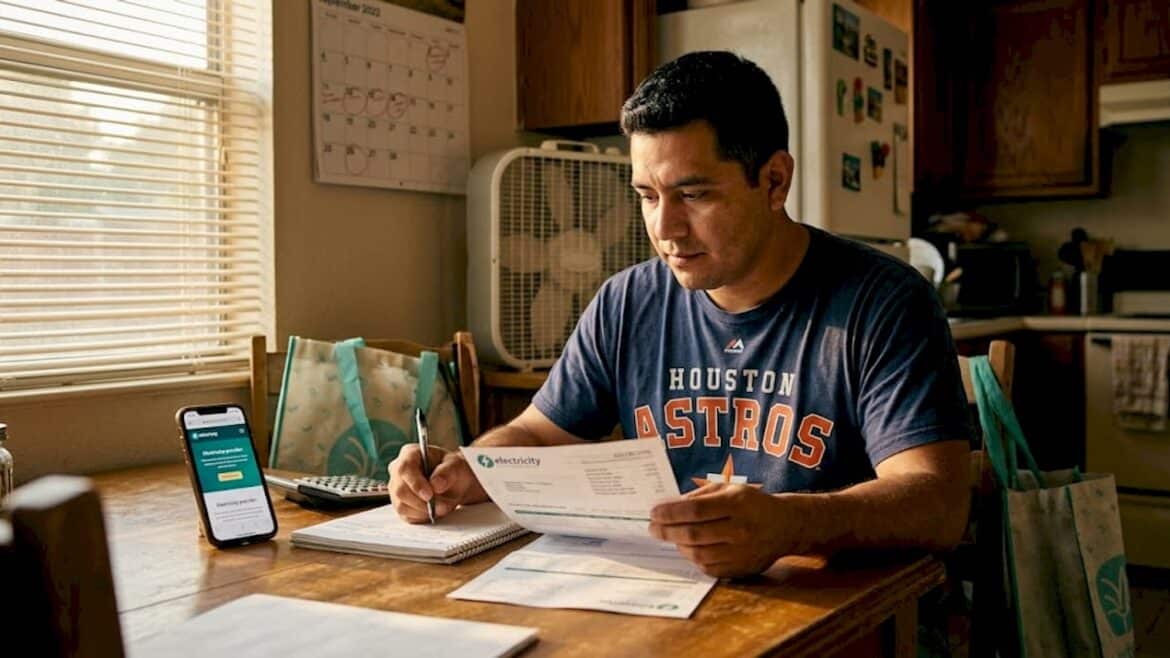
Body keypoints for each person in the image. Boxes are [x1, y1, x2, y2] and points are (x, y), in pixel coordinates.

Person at [391, 51, 972, 578]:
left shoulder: (884, 301)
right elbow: (540, 433)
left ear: (774, 181)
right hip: (660, 600)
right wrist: (472, 467)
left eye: (694, 195)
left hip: (837, 611)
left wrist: (791, 524)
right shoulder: (628, 301)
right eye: (647, 196)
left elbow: (938, 502)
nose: (664, 230)